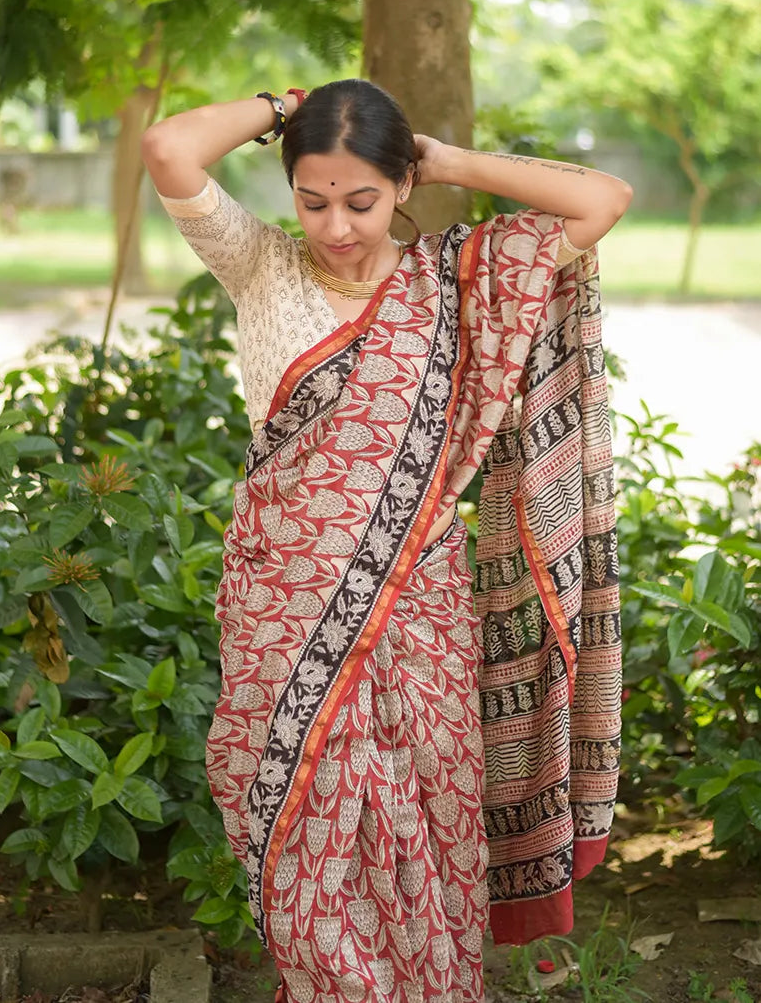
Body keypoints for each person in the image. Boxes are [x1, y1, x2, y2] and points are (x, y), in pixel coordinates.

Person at [141, 80, 631, 1003]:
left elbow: (602, 199)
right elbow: (169, 149)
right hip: (284, 604)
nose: (335, 225)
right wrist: (277, 105)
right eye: (313, 199)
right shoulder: (260, 266)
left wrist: (443, 159)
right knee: (292, 837)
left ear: (400, 186)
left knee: (427, 825)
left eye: (361, 199)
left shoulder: (458, 276)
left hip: (421, 610)